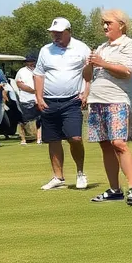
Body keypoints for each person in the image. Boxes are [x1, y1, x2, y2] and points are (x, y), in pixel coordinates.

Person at [85, 9, 132, 206]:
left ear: (122, 24)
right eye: (103, 23)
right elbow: (87, 76)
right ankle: (114, 189)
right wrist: (90, 63)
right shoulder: (102, 47)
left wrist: (102, 62)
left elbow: (127, 72)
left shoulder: (128, 44)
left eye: (108, 23)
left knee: (118, 143)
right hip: (97, 100)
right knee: (105, 144)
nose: (105, 27)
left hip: (117, 100)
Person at [33, 17, 89, 191]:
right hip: (49, 101)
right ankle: (58, 177)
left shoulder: (81, 48)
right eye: (53, 33)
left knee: (75, 138)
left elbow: (90, 72)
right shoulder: (45, 50)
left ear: (68, 32)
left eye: (59, 33)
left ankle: (80, 173)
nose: (55, 36)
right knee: (53, 140)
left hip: (72, 100)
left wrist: (86, 92)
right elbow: (39, 74)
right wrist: (39, 97)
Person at [14, 53, 41, 145]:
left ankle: (39, 138)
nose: (31, 63)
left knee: (39, 119)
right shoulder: (21, 71)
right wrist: (33, 91)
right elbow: (19, 84)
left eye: (32, 61)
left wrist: (39, 93)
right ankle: (23, 139)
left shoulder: (39, 70)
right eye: (29, 61)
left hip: (38, 99)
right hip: (25, 98)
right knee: (23, 120)